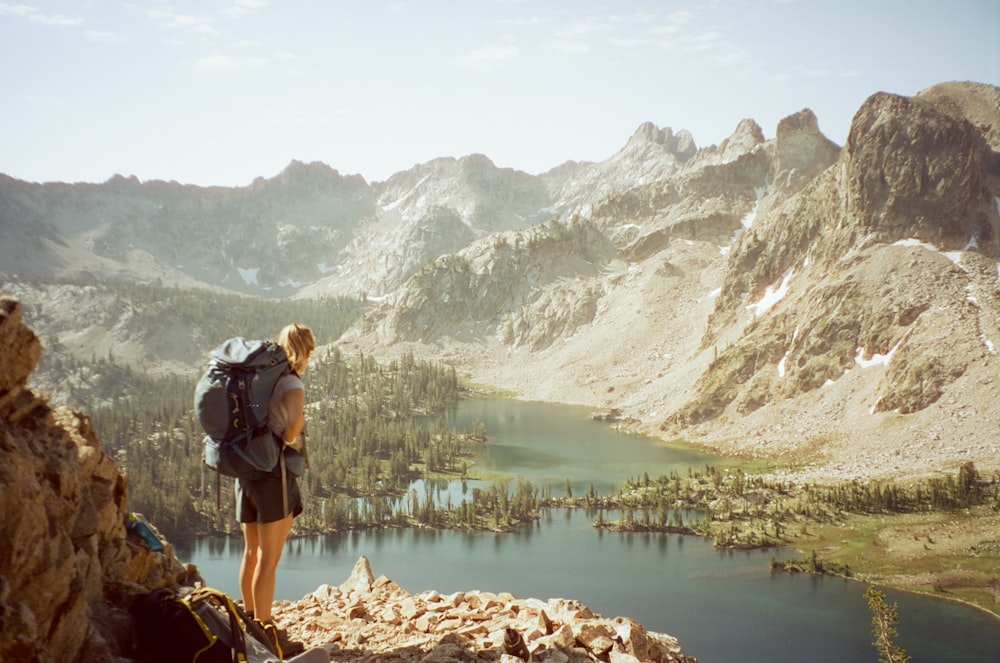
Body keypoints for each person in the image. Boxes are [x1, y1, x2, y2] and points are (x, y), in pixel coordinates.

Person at [236, 323, 315, 655]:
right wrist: (289, 439)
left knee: (251, 553)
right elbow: (294, 421)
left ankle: (249, 621)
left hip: (247, 472)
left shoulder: (259, 380)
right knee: (269, 560)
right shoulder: (292, 382)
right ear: (305, 350)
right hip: (275, 477)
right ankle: (263, 635)